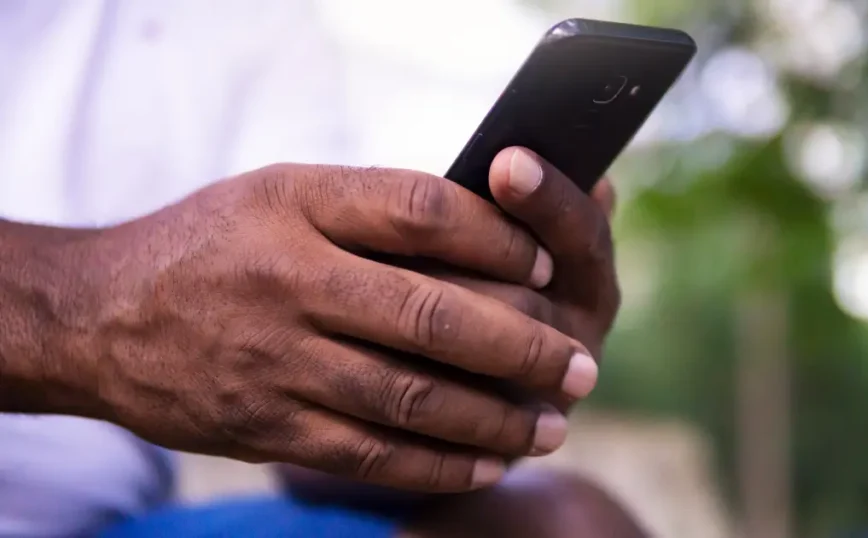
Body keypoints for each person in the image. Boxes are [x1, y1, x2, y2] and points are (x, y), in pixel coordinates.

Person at [0, 1, 646, 537]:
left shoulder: (252, 22)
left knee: (567, 525)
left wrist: (439, 388)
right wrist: (89, 312)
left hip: (104, 523)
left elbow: (298, 433)